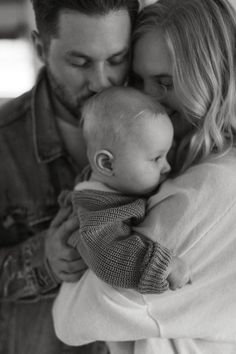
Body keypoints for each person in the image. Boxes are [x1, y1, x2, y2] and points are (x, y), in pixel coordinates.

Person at [52, 0, 236, 353]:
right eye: (139, 79)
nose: (148, 98)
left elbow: (73, 318)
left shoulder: (209, 185)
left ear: (212, 77)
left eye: (165, 82)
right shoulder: (172, 165)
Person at [0, 1, 140, 353]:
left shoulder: (164, 125)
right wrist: (41, 260)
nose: (101, 81)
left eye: (117, 59)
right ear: (39, 47)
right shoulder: (4, 140)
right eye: (80, 62)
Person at [54, 86, 190, 302]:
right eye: (156, 158)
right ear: (107, 163)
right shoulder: (98, 210)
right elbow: (107, 256)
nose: (167, 167)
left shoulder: (106, 182)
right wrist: (160, 267)